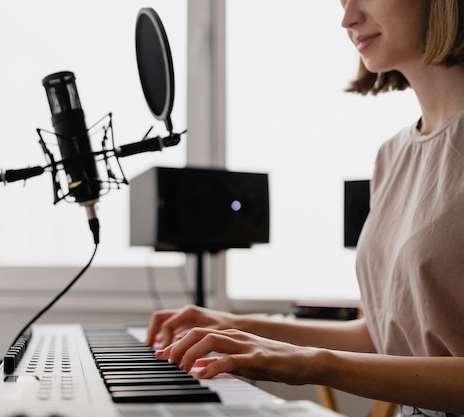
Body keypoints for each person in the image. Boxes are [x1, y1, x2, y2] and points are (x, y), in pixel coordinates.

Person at [145, 1, 464, 416]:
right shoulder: (393, 155)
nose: (347, 18)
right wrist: (240, 327)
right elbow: (387, 335)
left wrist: (311, 364)